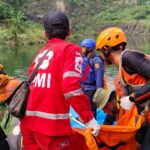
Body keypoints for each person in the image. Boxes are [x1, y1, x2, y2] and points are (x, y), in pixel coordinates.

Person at [20, 10, 100, 150]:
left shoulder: (40, 54)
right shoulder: (71, 49)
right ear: (69, 32)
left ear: (45, 34)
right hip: (52, 130)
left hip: (28, 127)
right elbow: (71, 89)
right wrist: (90, 119)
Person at [96, 27, 150, 150]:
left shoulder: (128, 58)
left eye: (100, 51)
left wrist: (132, 98)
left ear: (106, 48)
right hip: (145, 118)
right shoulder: (120, 75)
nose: (100, 55)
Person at [80, 38, 105, 117]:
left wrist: (99, 93)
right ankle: (84, 120)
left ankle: (92, 126)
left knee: (91, 108)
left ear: (89, 49)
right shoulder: (83, 59)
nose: (82, 49)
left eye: (83, 47)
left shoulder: (96, 61)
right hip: (83, 88)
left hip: (91, 90)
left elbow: (99, 78)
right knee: (83, 106)